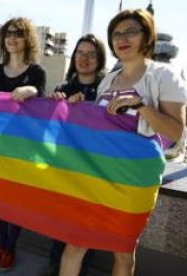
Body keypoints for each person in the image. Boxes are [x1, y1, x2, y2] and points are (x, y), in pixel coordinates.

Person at [59, 9, 186, 276]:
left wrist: (140, 105)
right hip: (98, 175)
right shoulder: (108, 79)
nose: (122, 38)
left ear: (146, 37)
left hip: (134, 179)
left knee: (123, 253)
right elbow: (102, 126)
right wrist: (80, 108)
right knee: (75, 244)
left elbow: (176, 132)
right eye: (116, 34)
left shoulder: (165, 75)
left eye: (130, 32)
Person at [0, 17, 46, 271]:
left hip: (24, 147)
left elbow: (43, 100)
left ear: (27, 39)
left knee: (16, 200)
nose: (12, 38)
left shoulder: (36, 72)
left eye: (18, 34)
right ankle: (1, 243)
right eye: (8, 34)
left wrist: (32, 90)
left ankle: (10, 247)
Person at [47, 33, 106, 276]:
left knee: (83, 236)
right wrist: (54, 104)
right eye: (80, 53)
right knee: (59, 231)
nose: (84, 59)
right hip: (64, 170)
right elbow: (50, 129)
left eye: (91, 54)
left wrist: (88, 108)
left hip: (92, 173)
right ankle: (54, 269)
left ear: (100, 59)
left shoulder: (106, 89)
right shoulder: (63, 87)